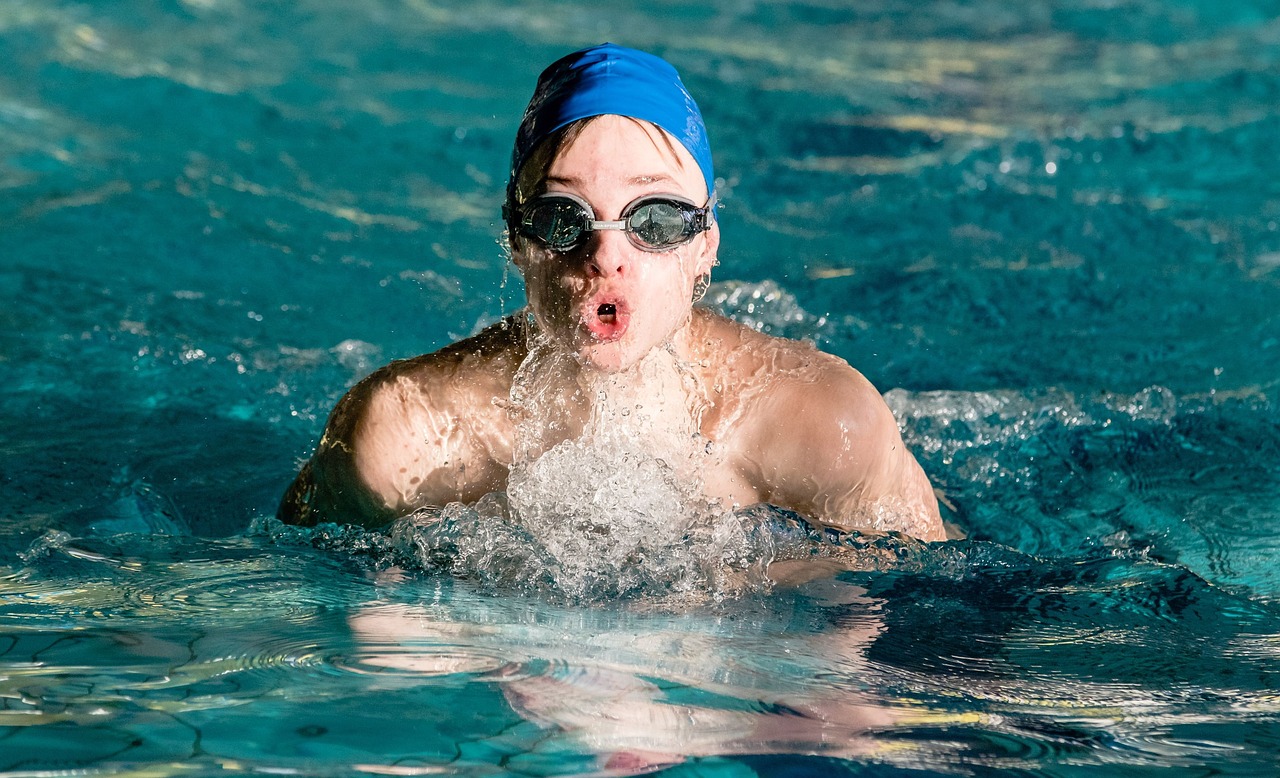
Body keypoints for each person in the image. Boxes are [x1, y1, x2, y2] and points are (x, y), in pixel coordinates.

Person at [278, 43, 945, 543]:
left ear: (706, 242)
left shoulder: (821, 424)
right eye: (564, 218)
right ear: (516, 240)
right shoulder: (404, 435)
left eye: (655, 219)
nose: (606, 258)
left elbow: (931, 625)